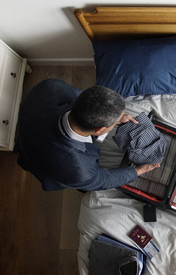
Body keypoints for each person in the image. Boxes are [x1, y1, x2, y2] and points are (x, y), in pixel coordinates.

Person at [14, 79, 159, 191]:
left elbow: (81, 97)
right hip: (46, 166)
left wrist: (114, 118)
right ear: (99, 130)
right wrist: (137, 171)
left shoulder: (50, 86)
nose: (118, 121)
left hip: (29, 129)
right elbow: (104, 180)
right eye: (114, 123)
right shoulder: (80, 170)